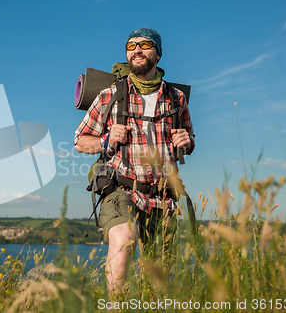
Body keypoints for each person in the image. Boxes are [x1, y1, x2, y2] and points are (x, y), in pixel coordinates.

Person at [74, 27, 195, 293]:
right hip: (121, 189)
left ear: (158, 54)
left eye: (145, 44)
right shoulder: (110, 96)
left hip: (163, 196)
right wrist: (105, 140)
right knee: (124, 239)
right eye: (131, 46)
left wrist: (186, 142)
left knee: (161, 277)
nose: (137, 49)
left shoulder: (177, 98)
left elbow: (188, 141)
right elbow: (80, 141)